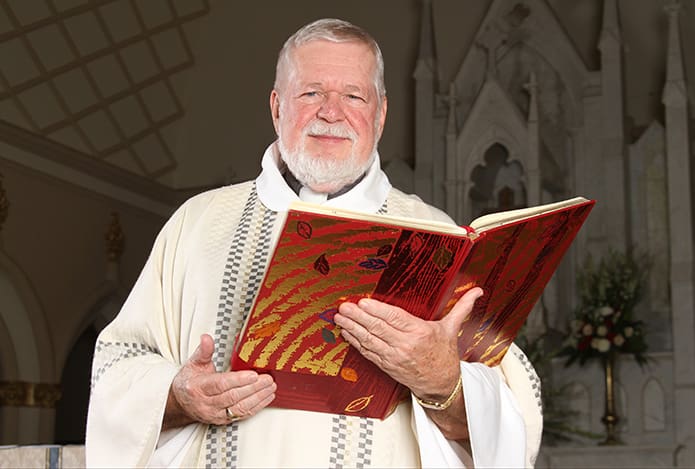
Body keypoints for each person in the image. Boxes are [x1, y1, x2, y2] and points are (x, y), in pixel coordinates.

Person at [86, 18, 542, 468]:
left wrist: (446, 384)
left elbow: (510, 410)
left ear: (380, 114)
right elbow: (117, 365)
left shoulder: (438, 237)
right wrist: (178, 396)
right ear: (276, 107)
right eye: (311, 93)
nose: (330, 111)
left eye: (353, 96)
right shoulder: (197, 224)